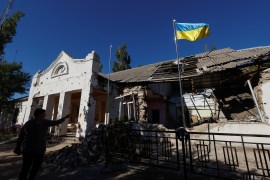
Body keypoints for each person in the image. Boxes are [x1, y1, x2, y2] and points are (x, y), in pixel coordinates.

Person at [13, 108, 70, 180]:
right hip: (39, 150)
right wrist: (65, 118)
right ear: (39, 114)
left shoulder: (28, 123)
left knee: (25, 168)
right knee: (35, 168)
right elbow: (56, 122)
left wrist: (18, 147)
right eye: (44, 113)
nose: (45, 115)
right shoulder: (44, 122)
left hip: (27, 149)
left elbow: (21, 136)